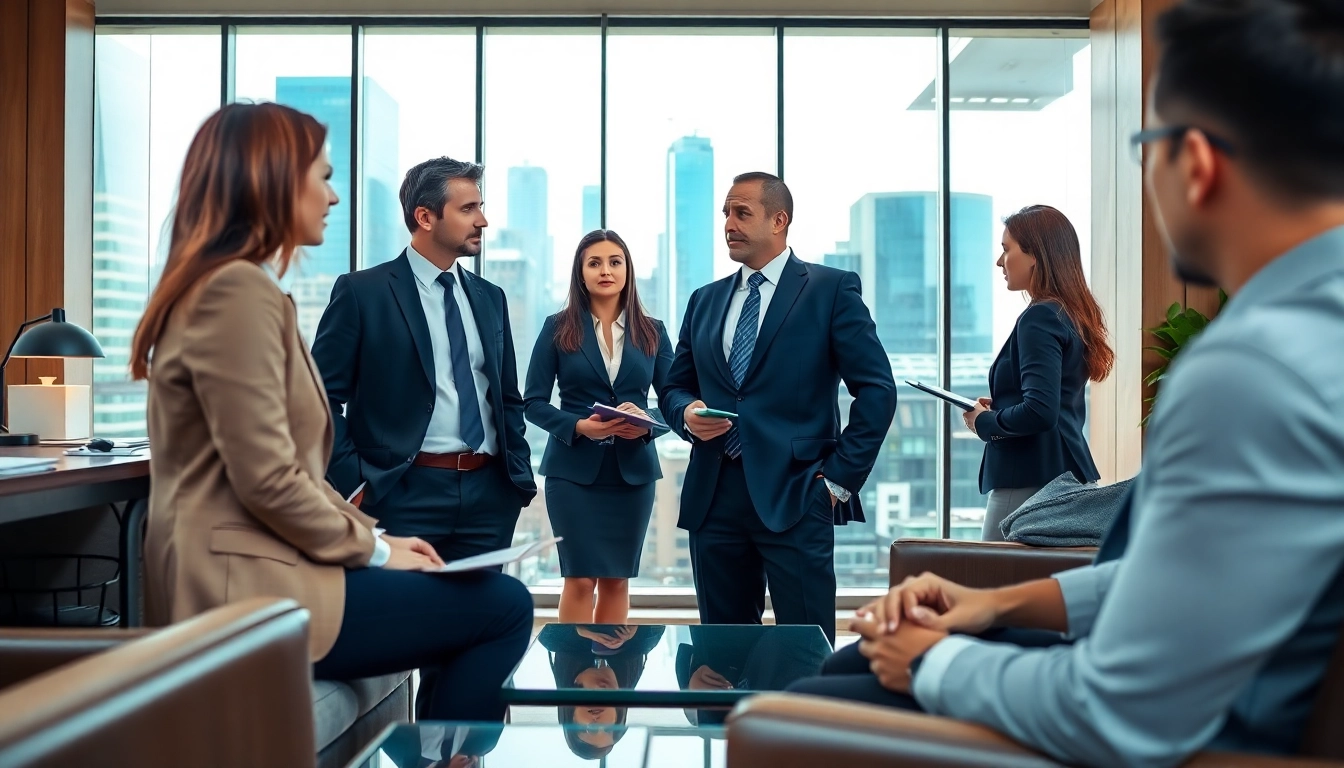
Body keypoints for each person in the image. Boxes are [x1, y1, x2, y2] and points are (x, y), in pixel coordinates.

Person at [787, 0, 1344, 764]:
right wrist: (999, 600)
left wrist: (931, 660)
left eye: (1143, 144)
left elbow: (1123, 713)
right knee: (852, 666)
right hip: (1207, 682)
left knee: (817, 694)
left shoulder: (1254, 371)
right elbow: (1198, 583)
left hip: (1190, 728)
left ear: (1197, 162)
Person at [131, 103, 532, 723]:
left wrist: (379, 541)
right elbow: (268, 476)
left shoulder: (236, 286)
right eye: (320, 177)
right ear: (270, 184)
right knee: (504, 607)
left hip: (289, 560)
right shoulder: (236, 292)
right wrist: (375, 543)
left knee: (480, 601)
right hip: (244, 586)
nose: (334, 197)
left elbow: (503, 395)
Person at [311, 156, 536, 718]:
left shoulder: (489, 298)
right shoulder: (362, 292)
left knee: (475, 648)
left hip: (487, 495)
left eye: (480, 206)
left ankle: (457, 756)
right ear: (425, 216)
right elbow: (321, 401)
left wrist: (518, 479)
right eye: (469, 208)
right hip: (403, 492)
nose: (483, 219)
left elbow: (505, 395)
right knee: (422, 634)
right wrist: (354, 481)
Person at [660, 172, 897, 645]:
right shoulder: (704, 301)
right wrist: (685, 414)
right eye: (726, 213)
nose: (729, 222)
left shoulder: (831, 289)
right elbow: (674, 387)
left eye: (742, 212)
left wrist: (836, 482)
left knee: (806, 655)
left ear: (779, 220)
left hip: (798, 493)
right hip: (714, 498)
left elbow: (877, 390)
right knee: (721, 660)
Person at [524, 230, 674, 623]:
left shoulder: (653, 331)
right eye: (594, 263)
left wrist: (645, 425)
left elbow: (675, 402)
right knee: (578, 580)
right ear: (581, 272)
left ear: (627, 270)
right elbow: (533, 403)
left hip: (633, 475)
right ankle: (573, 679)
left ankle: (611, 679)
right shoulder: (557, 328)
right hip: (572, 474)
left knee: (615, 581)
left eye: (614, 261)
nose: (605, 270)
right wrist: (578, 427)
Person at [966, 204, 1114, 540]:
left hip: (1030, 482)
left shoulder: (1040, 317)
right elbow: (1053, 400)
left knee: (988, 585)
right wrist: (1004, 405)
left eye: (1007, 250)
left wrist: (985, 422)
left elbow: (1040, 411)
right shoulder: (1068, 313)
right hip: (1063, 476)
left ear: (1035, 256)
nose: (999, 261)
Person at [535, 624, 666, 759]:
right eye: (609, 729)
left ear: (570, 716)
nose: (598, 724)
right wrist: (638, 624)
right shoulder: (642, 642)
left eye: (590, 729)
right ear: (618, 717)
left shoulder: (553, 639)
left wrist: (579, 631)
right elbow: (665, 608)